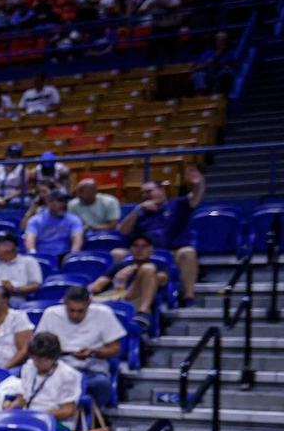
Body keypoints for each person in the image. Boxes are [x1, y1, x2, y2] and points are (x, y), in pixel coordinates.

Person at [119, 167, 203, 306]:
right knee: (117, 253)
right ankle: (118, 294)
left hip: (172, 251)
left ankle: (188, 296)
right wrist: (138, 210)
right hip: (143, 253)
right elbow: (123, 231)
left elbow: (196, 196)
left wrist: (197, 183)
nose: (145, 196)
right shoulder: (140, 211)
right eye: (142, 193)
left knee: (188, 253)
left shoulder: (177, 204)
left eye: (149, 191)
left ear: (162, 190)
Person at [34, 286, 124, 411]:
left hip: (90, 371)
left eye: (80, 311)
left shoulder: (103, 313)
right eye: (71, 310)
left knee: (101, 385)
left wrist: (93, 352)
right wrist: (54, 351)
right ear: (64, 303)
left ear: (89, 304)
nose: (75, 315)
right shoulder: (51, 314)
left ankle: (90, 419)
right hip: (56, 369)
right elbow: (38, 345)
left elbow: (115, 349)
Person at [91, 233, 167, 327]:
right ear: (131, 250)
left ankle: (143, 313)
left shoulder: (159, 266)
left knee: (148, 269)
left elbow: (162, 280)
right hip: (115, 296)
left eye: (144, 246)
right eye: (136, 246)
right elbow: (97, 285)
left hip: (137, 299)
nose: (139, 249)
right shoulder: (120, 265)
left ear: (151, 250)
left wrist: (136, 270)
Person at [5, 331, 80, 422]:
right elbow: (23, 397)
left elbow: (68, 411)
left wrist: (40, 414)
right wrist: (13, 405)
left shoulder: (68, 375)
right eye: (34, 358)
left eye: (41, 360)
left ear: (53, 358)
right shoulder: (29, 366)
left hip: (53, 420)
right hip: (29, 416)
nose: (36, 363)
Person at [25, 190, 85, 262]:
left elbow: (77, 238)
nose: (64, 204)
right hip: (42, 256)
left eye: (65, 201)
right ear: (49, 203)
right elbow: (30, 238)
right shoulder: (36, 220)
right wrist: (33, 253)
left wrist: (73, 254)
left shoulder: (74, 219)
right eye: (60, 201)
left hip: (65, 255)